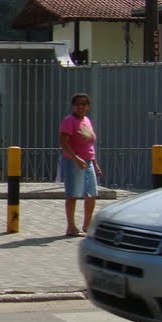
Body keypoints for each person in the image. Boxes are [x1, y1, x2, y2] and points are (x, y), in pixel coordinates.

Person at [59, 92, 102, 236]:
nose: (80, 107)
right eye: (77, 104)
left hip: (88, 162)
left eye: (83, 104)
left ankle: (87, 225)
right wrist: (76, 159)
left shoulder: (87, 121)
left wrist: (95, 163)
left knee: (91, 193)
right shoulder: (69, 121)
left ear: (88, 106)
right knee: (73, 194)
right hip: (73, 162)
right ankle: (71, 227)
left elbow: (89, 145)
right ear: (73, 106)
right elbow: (64, 143)